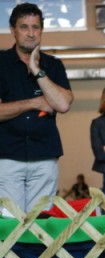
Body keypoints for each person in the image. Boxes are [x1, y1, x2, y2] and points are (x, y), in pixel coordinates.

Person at [0, 2, 74, 215]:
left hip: (45, 156)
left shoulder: (53, 65)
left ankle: (39, 251)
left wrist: (36, 70)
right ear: (13, 31)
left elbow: (62, 103)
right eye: (24, 27)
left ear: (42, 30)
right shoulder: (1, 63)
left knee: (40, 222)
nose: (31, 33)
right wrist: (34, 102)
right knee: (9, 221)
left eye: (36, 27)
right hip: (7, 156)